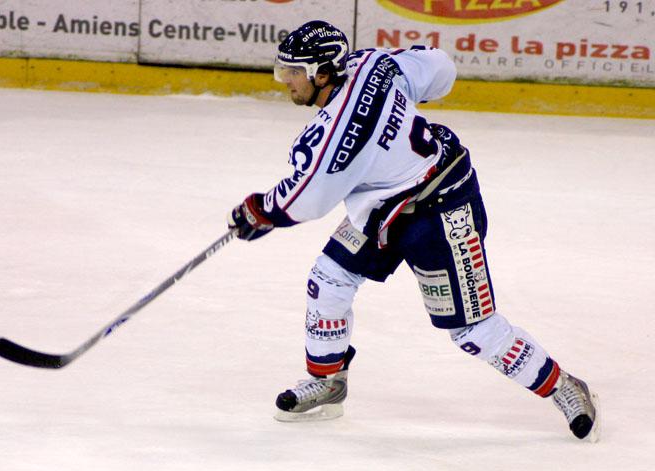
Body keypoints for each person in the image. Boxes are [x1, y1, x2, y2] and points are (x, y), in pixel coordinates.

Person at [226, 20, 600, 441]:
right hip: (386, 206)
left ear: (323, 73)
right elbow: (440, 68)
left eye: (294, 72)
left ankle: (565, 387)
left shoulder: (333, 136)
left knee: (472, 330)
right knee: (328, 279)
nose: (286, 81)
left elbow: (306, 198)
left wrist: (259, 211)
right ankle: (328, 381)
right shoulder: (372, 64)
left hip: (441, 211)